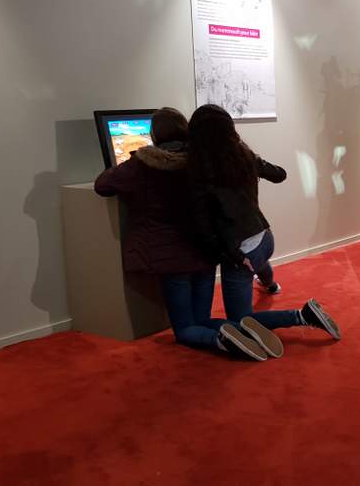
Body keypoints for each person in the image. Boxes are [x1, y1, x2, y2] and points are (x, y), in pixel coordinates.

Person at [94, 107, 276, 361]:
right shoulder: (204, 160)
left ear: (154, 134)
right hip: (205, 252)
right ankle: (242, 330)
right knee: (203, 318)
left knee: (185, 330)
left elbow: (102, 185)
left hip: (172, 258)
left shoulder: (142, 165)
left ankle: (223, 339)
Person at [186, 104, 341, 357]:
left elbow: (204, 228)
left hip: (242, 250)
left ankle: (302, 316)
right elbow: (279, 174)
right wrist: (252, 160)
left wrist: (234, 258)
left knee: (242, 320)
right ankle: (270, 285)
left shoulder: (200, 172)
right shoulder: (242, 156)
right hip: (264, 237)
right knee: (258, 264)